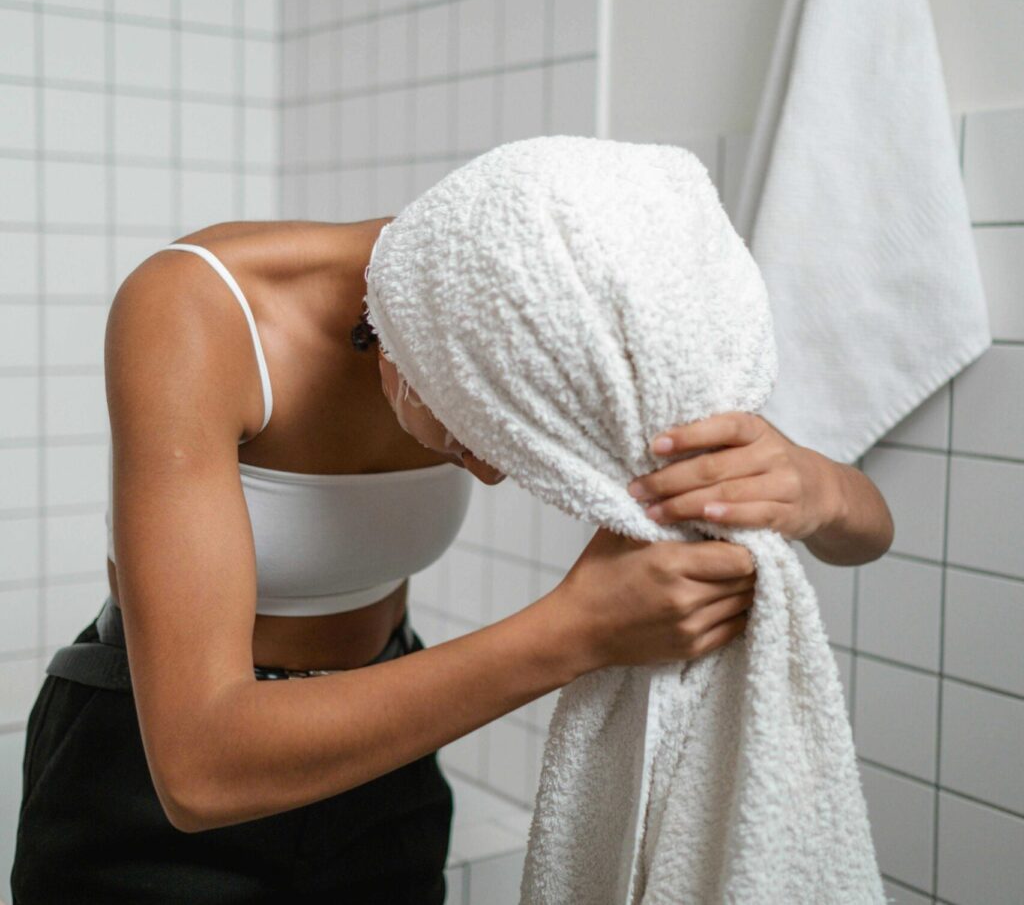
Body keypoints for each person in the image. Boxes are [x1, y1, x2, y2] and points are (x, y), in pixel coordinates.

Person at [12, 216, 801, 904]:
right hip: (144, 777)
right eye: (478, 427)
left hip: (382, 769)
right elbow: (198, 771)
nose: (490, 471)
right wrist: (576, 631)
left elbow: (862, 527)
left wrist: (815, 489)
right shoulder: (198, 306)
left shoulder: (534, 306)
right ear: (411, 327)